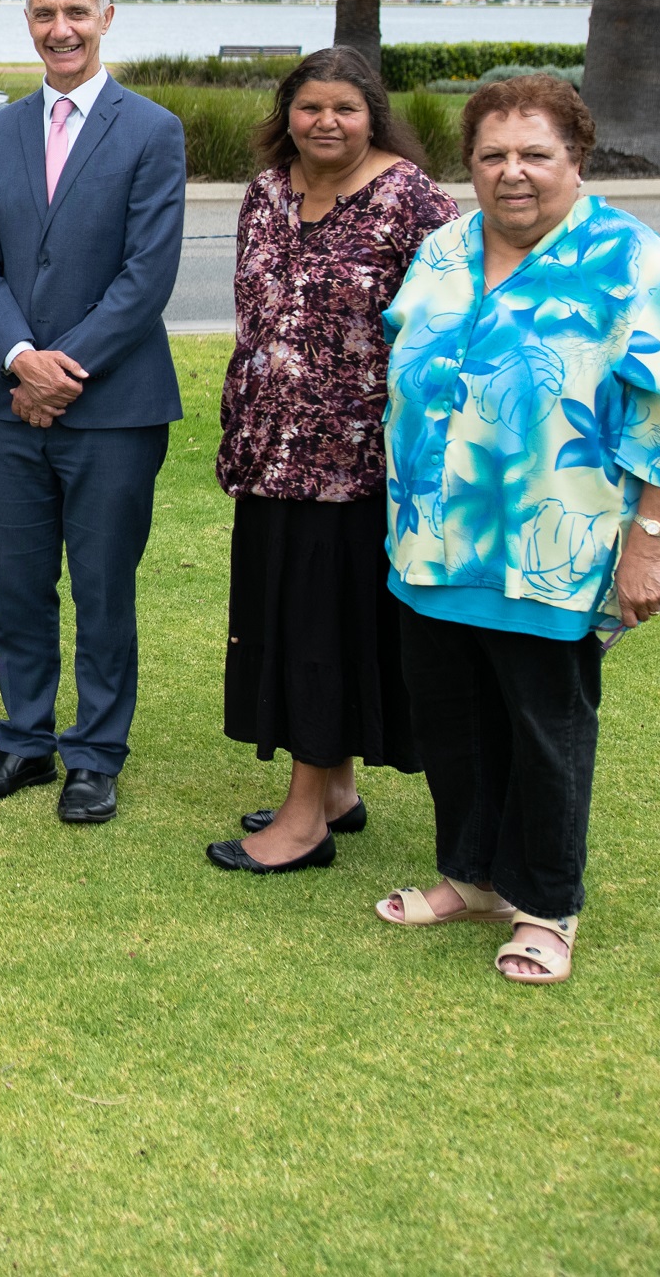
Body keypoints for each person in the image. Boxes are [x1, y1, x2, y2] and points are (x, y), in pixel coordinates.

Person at [375, 76, 660, 984]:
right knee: (452, 722)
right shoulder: (443, 249)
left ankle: (545, 906)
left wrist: (649, 544)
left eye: (534, 154)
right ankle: (472, 876)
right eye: (492, 155)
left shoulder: (631, 261)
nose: (511, 174)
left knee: (543, 730)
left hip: (553, 553)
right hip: (429, 542)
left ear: (576, 160)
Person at [0, 0, 186, 824]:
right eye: (45, 13)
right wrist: (18, 360)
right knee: (15, 583)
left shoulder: (152, 130)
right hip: (3, 405)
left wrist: (61, 370)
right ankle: (23, 742)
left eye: (76, 14)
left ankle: (95, 753)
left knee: (100, 586)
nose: (60, 29)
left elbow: (145, 277)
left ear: (107, 18)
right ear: (28, 22)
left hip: (112, 409)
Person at [206, 48, 455, 875]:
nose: (325, 123)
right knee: (284, 620)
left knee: (322, 631)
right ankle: (336, 788)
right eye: (309, 107)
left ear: (371, 115)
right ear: (287, 113)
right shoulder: (267, 190)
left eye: (343, 109)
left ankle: (303, 821)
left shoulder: (411, 199)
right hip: (267, 451)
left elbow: (450, 321)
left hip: (355, 463)